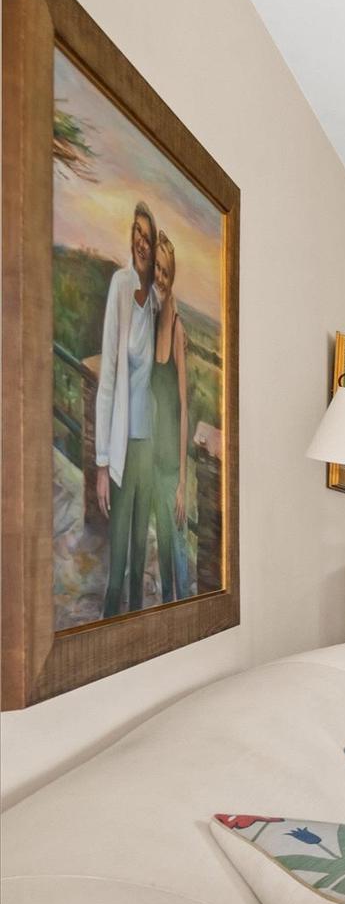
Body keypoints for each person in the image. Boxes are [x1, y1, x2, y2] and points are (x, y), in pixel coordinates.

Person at [93, 202, 160, 617]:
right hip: (123, 447)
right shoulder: (120, 286)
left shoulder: (155, 300)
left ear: (154, 247)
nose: (140, 240)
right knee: (117, 561)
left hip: (149, 448)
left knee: (139, 558)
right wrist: (102, 462)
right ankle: (105, 630)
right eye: (136, 231)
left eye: (147, 236)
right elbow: (109, 379)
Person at [145, 230, 191, 603]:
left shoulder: (177, 329)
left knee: (177, 549)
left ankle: (185, 609)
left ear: (172, 274)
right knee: (162, 545)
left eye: (165, 271)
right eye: (155, 269)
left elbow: (183, 408)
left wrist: (182, 483)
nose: (159, 276)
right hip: (152, 461)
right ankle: (167, 609)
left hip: (171, 468)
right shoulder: (151, 321)